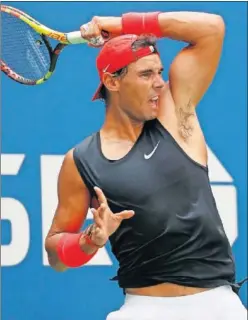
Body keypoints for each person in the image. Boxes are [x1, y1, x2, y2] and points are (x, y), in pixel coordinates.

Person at [45, 11, 247, 320]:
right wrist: (89, 241)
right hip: (143, 309)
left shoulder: (176, 113)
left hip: (217, 306)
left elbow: (212, 28)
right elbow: (55, 253)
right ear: (112, 80)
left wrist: (122, 24)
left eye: (160, 72)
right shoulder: (81, 161)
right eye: (145, 74)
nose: (160, 83)